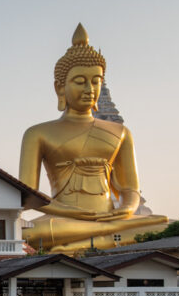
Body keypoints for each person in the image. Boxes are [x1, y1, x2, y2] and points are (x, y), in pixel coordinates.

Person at [19, 24, 166, 252]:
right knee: (26, 233)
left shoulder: (122, 132)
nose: (90, 89)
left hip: (110, 218)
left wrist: (126, 210)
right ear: (60, 88)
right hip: (65, 220)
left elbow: (130, 190)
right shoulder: (37, 133)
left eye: (96, 81)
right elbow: (28, 196)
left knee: (166, 225)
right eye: (80, 81)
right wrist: (70, 212)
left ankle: (77, 246)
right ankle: (102, 241)